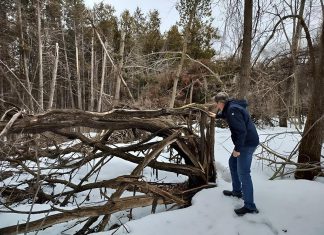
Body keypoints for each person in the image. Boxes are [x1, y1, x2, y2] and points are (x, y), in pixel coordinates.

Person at [214, 92, 259, 216]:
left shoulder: (233, 110)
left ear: (220, 103)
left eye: (217, 104)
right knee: (232, 163)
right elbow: (227, 114)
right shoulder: (232, 106)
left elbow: (241, 131)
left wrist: (238, 149)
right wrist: (216, 116)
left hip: (246, 143)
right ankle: (237, 191)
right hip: (245, 142)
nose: (217, 107)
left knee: (244, 173)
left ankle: (250, 206)